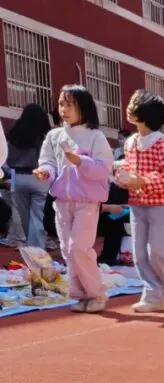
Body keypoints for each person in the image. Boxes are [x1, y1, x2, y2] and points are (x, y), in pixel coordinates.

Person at [32, 85, 112, 313]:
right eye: (61, 104)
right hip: (61, 201)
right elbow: (48, 162)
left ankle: (96, 294)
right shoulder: (54, 135)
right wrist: (45, 172)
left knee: (79, 248)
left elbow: (103, 169)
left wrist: (80, 161)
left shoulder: (95, 136)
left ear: (84, 108)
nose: (64, 109)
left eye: (70, 105)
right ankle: (81, 295)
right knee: (68, 250)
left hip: (87, 202)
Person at [114, 90, 164, 313]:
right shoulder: (131, 142)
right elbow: (126, 168)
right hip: (138, 204)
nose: (129, 107)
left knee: (157, 250)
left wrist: (143, 180)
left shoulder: (161, 143)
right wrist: (122, 178)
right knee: (139, 253)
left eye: (134, 104)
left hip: (161, 204)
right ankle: (153, 295)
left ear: (146, 113)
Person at [7, 103, 51, 248]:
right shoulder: (44, 137)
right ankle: (37, 248)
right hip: (39, 176)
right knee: (38, 215)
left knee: (23, 215)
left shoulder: (13, 135)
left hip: (17, 176)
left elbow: (7, 159)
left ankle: (30, 246)